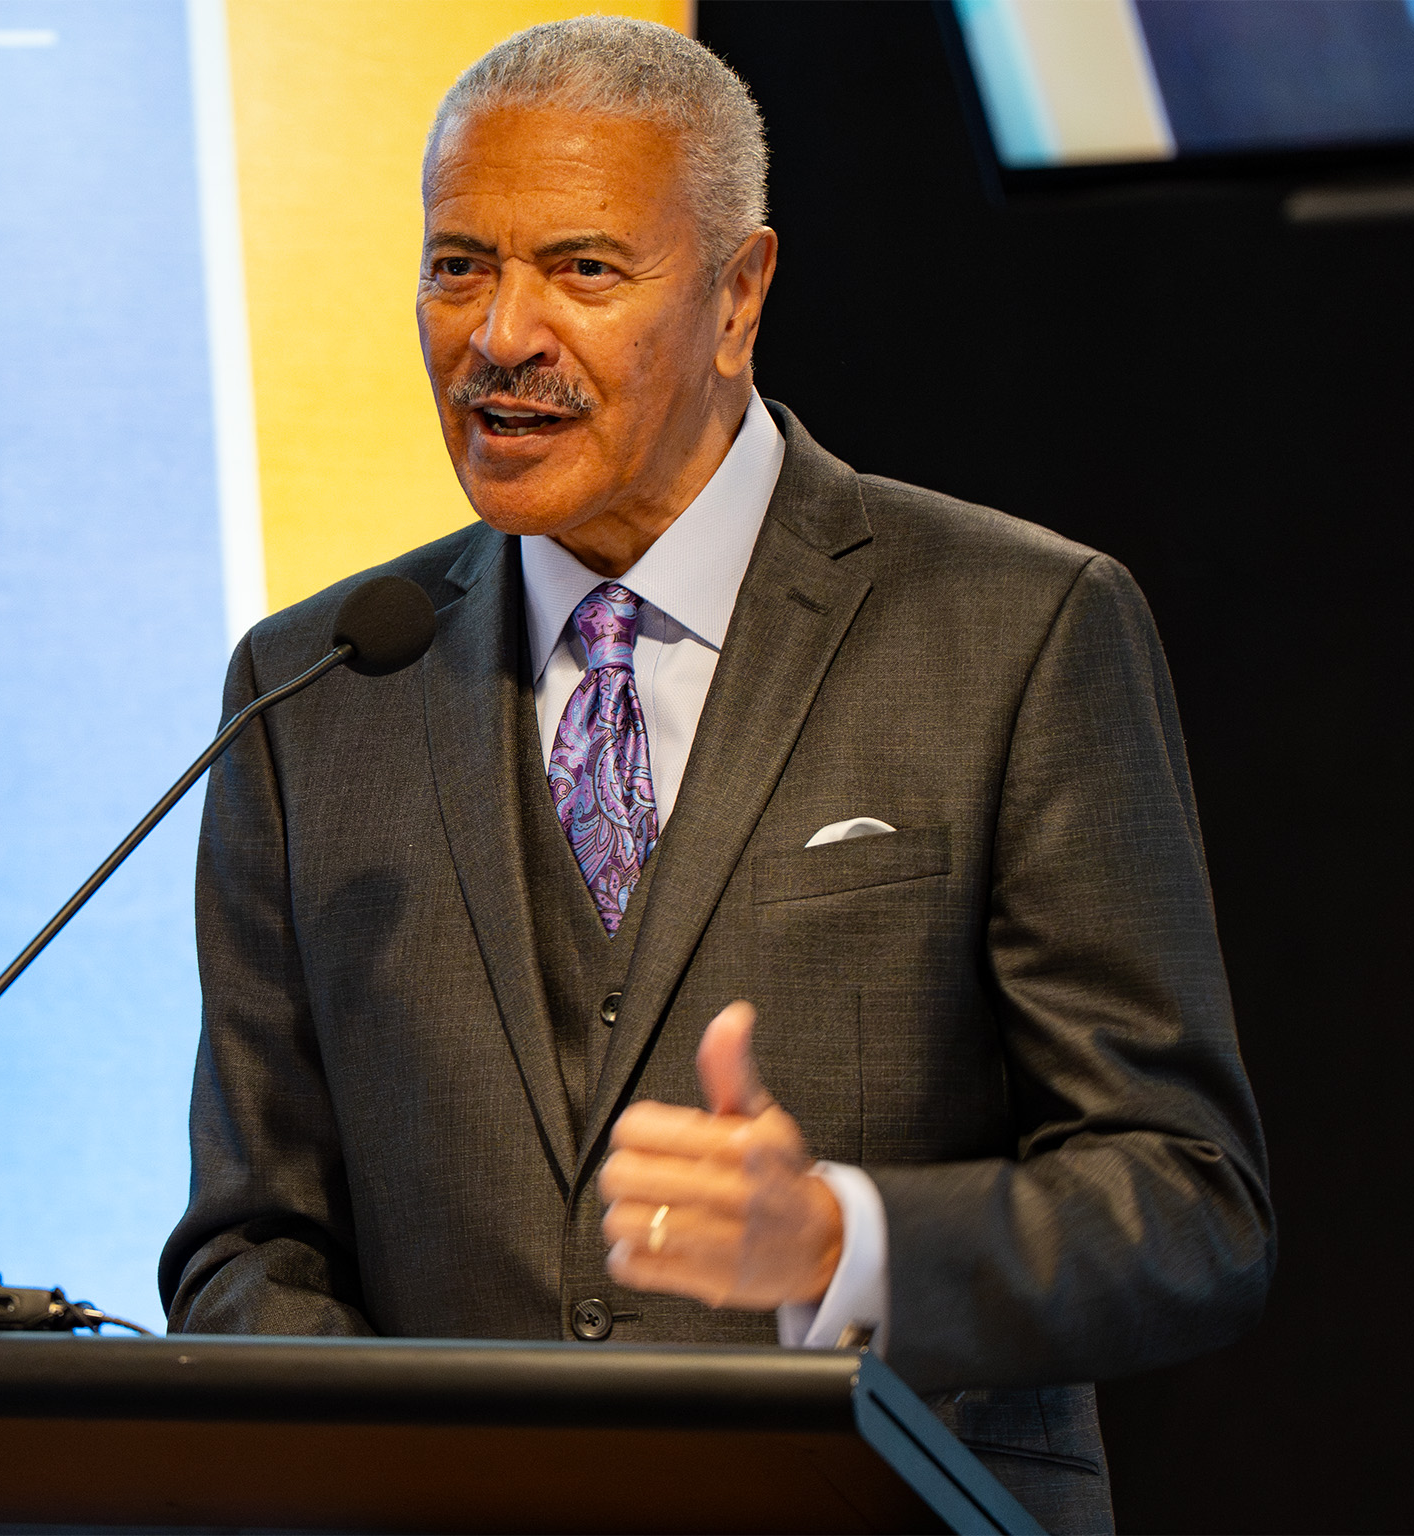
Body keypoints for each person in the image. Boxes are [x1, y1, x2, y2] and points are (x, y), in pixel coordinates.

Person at [158, 18, 1272, 1532]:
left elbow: (1192, 1210)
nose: (498, 335)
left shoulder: (1018, 627)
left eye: (584, 270)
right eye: (458, 265)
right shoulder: (318, 691)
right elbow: (246, 1250)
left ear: (739, 293)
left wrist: (840, 1240)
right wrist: (421, 1471)